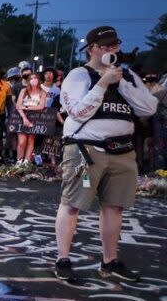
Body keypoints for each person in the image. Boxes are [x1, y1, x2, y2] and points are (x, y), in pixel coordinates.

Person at [53, 26, 158, 282]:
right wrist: (102, 83)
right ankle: (63, 259)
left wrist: (122, 82)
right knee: (72, 204)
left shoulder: (127, 75)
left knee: (114, 207)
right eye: (105, 45)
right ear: (92, 49)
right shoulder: (79, 75)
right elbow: (77, 112)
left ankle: (109, 262)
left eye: (115, 44)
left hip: (122, 151)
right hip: (86, 150)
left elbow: (148, 107)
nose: (112, 49)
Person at [15, 72, 46, 165]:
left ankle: (27, 162)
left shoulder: (42, 92)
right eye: (31, 78)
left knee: (31, 140)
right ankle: (19, 161)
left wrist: (27, 107)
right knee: (21, 142)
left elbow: (41, 106)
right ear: (28, 81)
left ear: (39, 80)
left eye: (35, 78)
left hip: (35, 118)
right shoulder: (23, 91)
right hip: (22, 117)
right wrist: (24, 118)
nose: (34, 80)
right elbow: (18, 106)